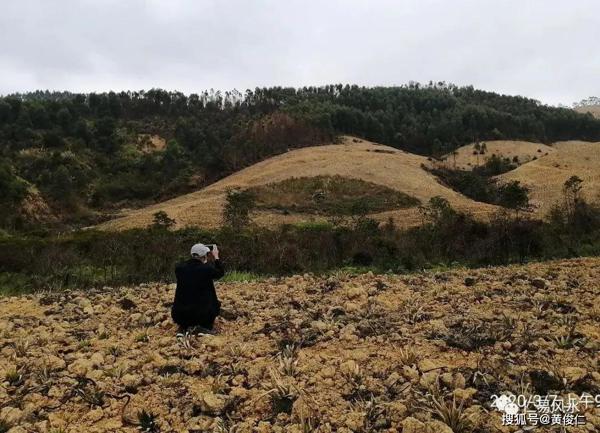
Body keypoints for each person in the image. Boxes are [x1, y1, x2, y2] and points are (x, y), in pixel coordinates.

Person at [171, 243, 224, 334]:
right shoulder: (206, 269)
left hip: (180, 316)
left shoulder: (179, 268)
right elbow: (220, 273)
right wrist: (216, 257)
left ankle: (184, 328)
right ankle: (203, 328)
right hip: (201, 317)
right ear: (204, 255)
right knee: (212, 300)